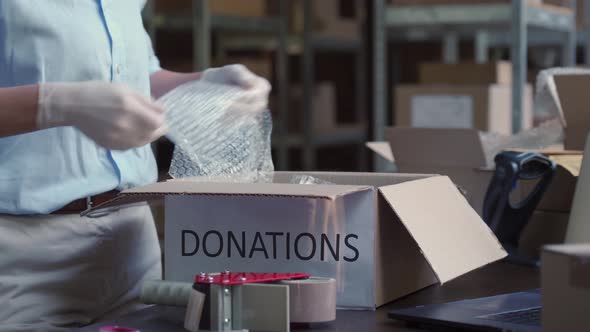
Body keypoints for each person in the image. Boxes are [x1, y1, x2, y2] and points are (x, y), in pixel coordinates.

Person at [0, 1, 270, 331]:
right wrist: (56, 103)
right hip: (24, 252)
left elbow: (139, 77)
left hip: (131, 240)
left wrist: (206, 84)